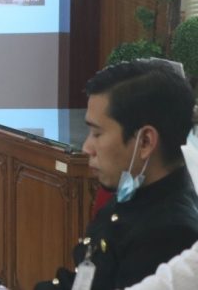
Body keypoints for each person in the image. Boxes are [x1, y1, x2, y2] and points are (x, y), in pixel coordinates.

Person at [34, 61, 198, 290]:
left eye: (97, 133)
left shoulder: (170, 233)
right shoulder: (134, 193)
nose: (87, 148)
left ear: (145, 141)